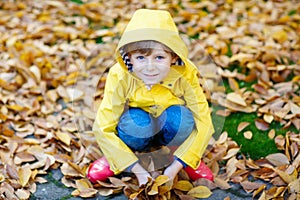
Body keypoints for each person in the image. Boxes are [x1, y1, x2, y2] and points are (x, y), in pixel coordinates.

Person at [87, 9, 215, 186]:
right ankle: (117, 156)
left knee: (183, 121)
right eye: (141, 57)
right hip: (138, 122)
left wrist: (175, 168)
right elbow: (103, 125)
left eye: (159, 57)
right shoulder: (120, 75)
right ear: (129, 58)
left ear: (173, 57)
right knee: (134, 125)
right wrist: (138, 171)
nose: (150, 67)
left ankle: (184, 155)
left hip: (170, 120)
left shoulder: (185, 73)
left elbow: (203, 121)